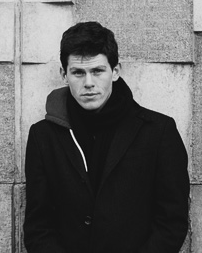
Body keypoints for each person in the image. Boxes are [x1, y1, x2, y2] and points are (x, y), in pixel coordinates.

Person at [24, 21, 189, 253]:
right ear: (64, 74)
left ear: (115, 72)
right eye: (78, 73)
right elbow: (38, 226)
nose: (88, 83)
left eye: (98, 71)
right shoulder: (44, 137)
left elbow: (172, 222)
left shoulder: (158, 131)